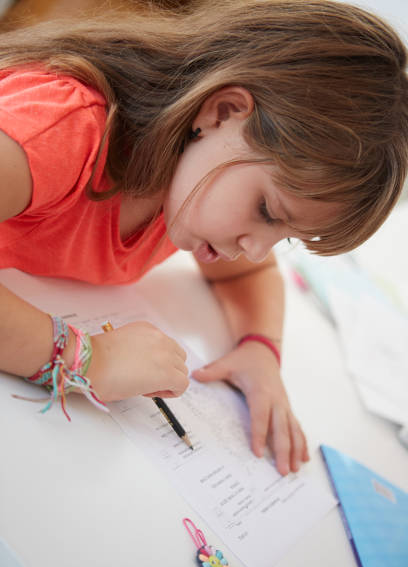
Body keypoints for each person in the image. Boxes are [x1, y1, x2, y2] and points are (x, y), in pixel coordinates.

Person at [0, 0, 407, 476]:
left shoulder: (190, 184)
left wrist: (259, 348)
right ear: (222, 112)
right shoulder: (65, 127)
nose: (256, 246)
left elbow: (249, 272)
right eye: (267, 211)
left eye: (287, 236)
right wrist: (84, 359)